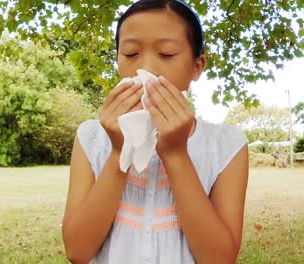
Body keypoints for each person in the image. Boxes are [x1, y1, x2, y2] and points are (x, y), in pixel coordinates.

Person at [62, 0, 249, 263]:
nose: (146, 67)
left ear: (197, 66)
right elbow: (77, 251)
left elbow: (219, 258)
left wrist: (175, 154)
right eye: (130, 54)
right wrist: (120, 152)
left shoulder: (227, 145)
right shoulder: (92, 138)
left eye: (167, 54)